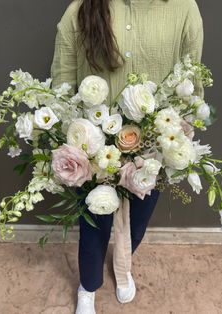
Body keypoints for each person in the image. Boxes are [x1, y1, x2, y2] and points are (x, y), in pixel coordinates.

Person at [50, 0, 204, 313]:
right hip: (94, 146)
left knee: (137, 222)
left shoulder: (184, 8)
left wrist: (182, 132)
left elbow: (192, 78)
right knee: (94, 222)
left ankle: (123, 266)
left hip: (154, 147)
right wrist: (67, 134)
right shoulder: (81, 8)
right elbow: (63, 78)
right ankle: (88, 285)